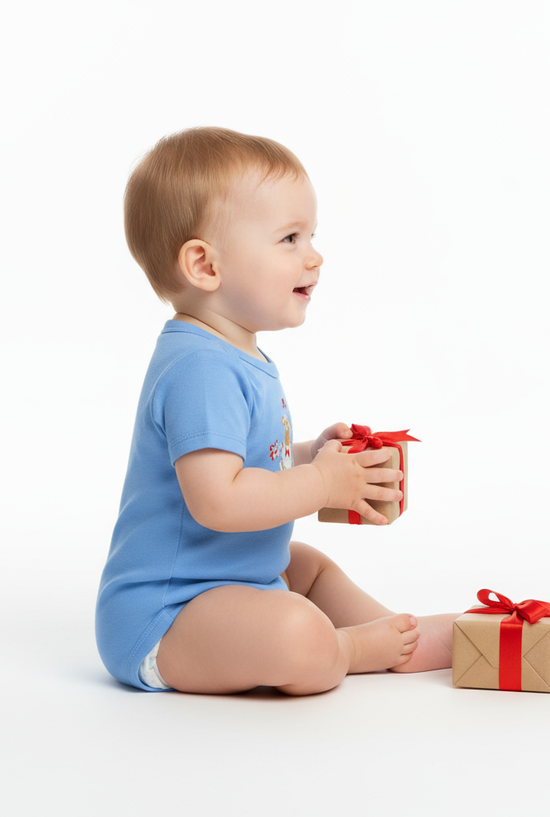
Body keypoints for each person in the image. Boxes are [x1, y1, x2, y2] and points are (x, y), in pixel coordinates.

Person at [95, 127, 457, 695]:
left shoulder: (233, 352)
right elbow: (219, 500)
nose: (314, 256)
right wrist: (320, 483)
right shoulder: (201, 368)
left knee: (304, 566)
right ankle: (353, 646)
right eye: (289, 238)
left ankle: (397, 632)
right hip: (166, 617)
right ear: (205, 266)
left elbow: (251, 463)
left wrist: (313, 453)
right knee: (296, 632)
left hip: (235, 584)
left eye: (311, 235)